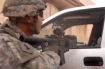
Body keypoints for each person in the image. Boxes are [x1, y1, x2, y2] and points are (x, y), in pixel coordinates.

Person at [0, 0, 61, 69]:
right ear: (29, 17)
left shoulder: (10, 36)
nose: (43, 18)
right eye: (41, 13)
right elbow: (44, 66)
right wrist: (54, 51)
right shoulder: (8, 44)